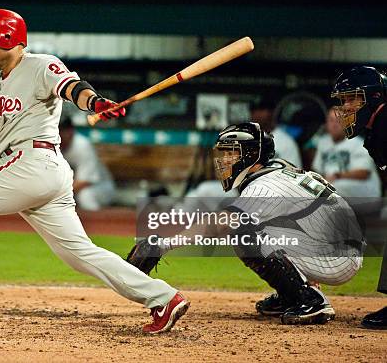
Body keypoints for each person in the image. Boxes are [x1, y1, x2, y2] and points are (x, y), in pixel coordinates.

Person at [0, 9, 188, 334]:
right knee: (80, 254)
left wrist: (95, 103)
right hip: (38, 172)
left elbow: (74, 88)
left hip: (32, 162)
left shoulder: (39, 65)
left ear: (7, 37)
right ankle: (163, 297)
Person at [127, 122, 364, 325]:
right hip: (337, 247)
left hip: (335, 256)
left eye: (231, 153)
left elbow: (222, 223)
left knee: (243, 232)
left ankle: (308, 299)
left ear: (251, 155)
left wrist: (164, 245)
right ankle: (291, 293)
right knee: (255, 226)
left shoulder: (264, 185)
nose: (224, 160)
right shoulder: (279, 170)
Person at [331, 66, 387, 330]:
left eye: (352, 98)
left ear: (374, 97)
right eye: (342, 100)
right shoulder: (378, 128)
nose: (345, 107)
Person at [311, 107, 381, 198]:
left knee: (334, 187)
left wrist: (337, 176)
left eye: (339, 120)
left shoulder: (359, 144)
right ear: (326, 123)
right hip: (336, 191)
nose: (334, 124)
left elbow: (363, 173)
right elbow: (317, 170)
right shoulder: (323, 142)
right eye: (331, 120)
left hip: (365, 193)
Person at [59, 117, 115, 211]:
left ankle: (96, 223)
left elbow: (84, 181)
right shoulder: (51, 144)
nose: (58, 134)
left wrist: (56, 194)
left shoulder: (82, 145)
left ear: (70, 131)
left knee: (85, 196)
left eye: (62, 130)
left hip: (99, 187)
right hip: (69, 190)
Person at [251, 99, 302, 167]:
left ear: (271, 113)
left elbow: (295, 173)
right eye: (254, 110)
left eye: (261, 110)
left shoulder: (286, 142)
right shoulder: (246, 139)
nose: (256, 114)